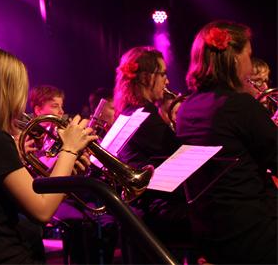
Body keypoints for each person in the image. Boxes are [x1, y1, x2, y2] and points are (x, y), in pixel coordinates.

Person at [0, 45, 96, 263]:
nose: (20, 101)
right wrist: (69, 150)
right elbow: (42, 211)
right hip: (0, 256)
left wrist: (65, 174)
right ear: (4, 92)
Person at [176, 21, 277, 264]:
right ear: (234, 59)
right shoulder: (239, 105)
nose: (250, 66)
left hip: (210, 233)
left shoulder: (187, 108)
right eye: (249, 56)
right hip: (253, 233)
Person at [113, 46, 190, 261]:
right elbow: (180, 153)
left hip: (140, 208)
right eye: (163, 74)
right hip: (156, 211)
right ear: (147, 77)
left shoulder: (130, 112)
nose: (167, 80)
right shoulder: (145, 115)